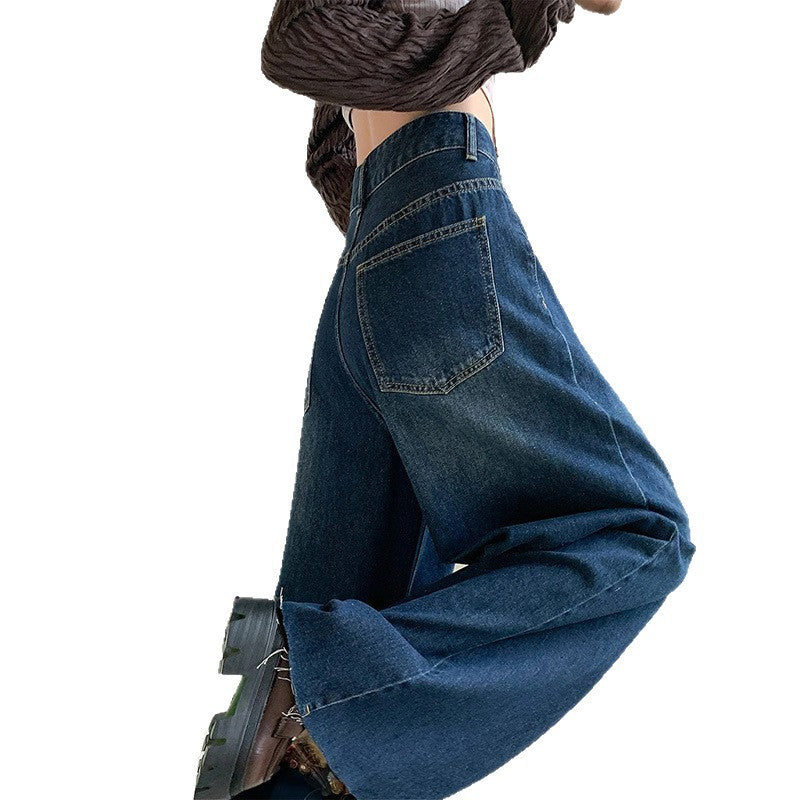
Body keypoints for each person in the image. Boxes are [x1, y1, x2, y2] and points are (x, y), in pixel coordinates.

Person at [193, 2, 696, 798]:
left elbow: (339, 122)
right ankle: (318, 691)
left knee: (352, 615)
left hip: (394, 242)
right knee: (633, 531)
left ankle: (302, 722)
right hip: (433, 215)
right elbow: (303, 39)